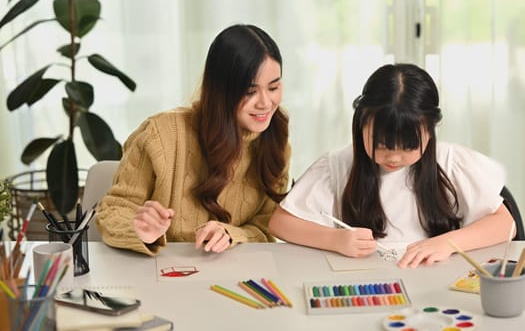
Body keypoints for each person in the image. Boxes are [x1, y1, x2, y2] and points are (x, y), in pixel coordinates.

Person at [269, 63, 515, 268]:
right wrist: (336, 239)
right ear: (361, 125)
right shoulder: (338, 165)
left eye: (408, 147)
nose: (394, 158)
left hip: (437, 287)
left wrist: (447, 243)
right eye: (383, 145)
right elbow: (281, 223)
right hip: (369, 287)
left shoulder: (450, 162)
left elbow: (506, 224)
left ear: (430, 131)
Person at [96, 24, 290, 256]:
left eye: (274, 87)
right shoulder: (160, 134)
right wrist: (138, 229)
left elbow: (266, 227)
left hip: (231, 278)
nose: (265, 103)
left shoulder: (275, 142)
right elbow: (113, 211)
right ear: (221, 91)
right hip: (160, 275)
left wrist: (233, 234)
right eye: (250, 91)